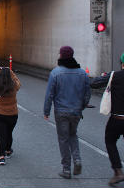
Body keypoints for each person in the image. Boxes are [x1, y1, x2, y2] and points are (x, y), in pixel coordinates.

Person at [91, 49, 124, 188]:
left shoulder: (114, 76)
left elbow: (95, 83)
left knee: (110, 140)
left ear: (123, 64)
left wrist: (102, 77)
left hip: (117, 119)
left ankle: (118, 171)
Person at [43, 46, 91, 179]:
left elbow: (49, 94)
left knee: (63, 139)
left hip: (61, 111)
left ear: (61, 56)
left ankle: (66, 169)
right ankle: (77, 159)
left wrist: (46, 111)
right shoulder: (82, 73)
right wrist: (82, 106)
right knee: (73, 135)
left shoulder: (56, 73)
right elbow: (87, 93)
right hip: (76, 111)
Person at [0, 67, 21, 165]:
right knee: (9, 133)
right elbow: (18, 82)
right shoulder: (14, 86)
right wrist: (10, 71)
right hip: (12, 114)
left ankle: (1, 157)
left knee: (0, 135)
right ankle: (8, 150)